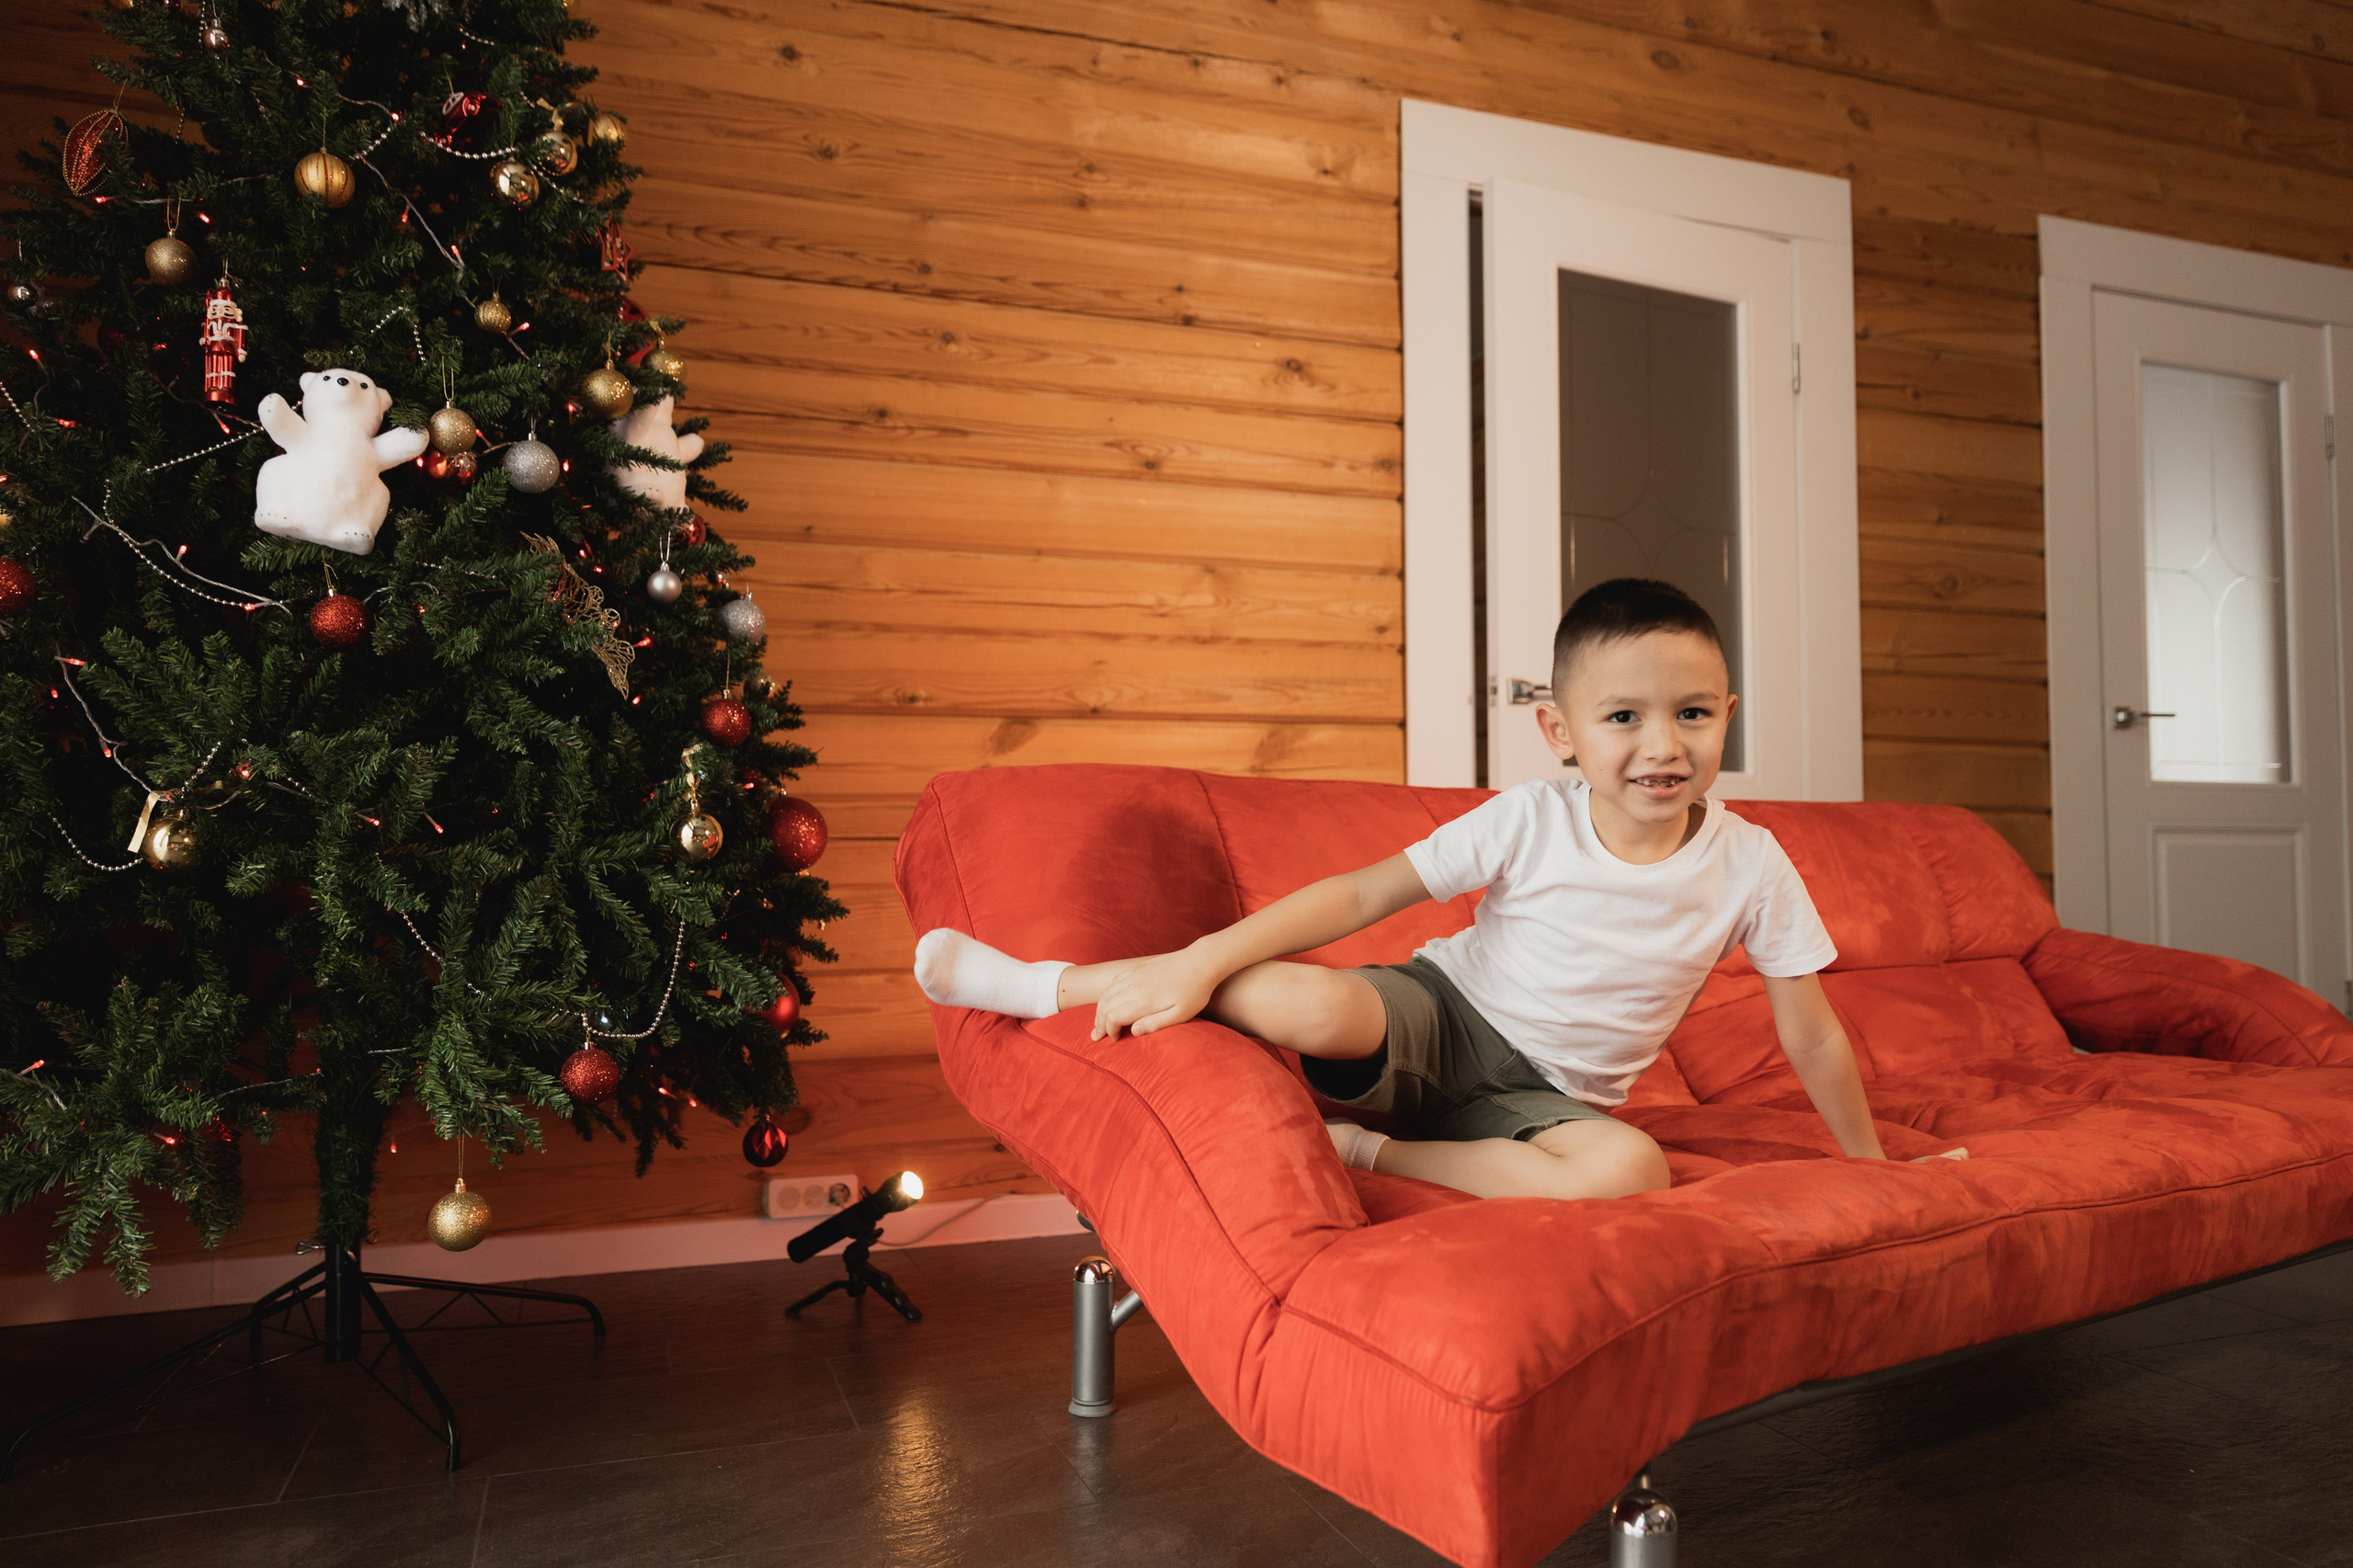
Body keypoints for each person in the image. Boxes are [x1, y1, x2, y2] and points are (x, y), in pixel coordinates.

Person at [914, 577, 1961, 1200]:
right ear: (1560, 732)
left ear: (1728, 712)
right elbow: (1364, 893)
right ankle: (1046, 983)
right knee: (1305, 996)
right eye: (1622, 717)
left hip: (1543, 1101)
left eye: (1692, 714)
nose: (1662, 745)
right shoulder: (1532, 817)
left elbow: (1812, 1034)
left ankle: (1369, 1150)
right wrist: (1202, 959)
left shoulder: (1752, 862)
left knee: (1630, 1172)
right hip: (1442, 1017)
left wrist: (1870, 1161)